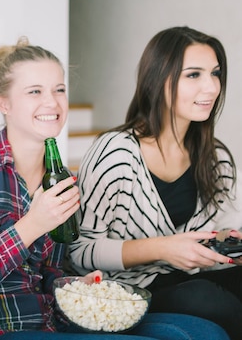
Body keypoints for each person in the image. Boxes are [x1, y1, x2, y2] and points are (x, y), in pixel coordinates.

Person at [0, 36, 229, 340]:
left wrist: (78, 284)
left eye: (59, 90)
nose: (52, 102)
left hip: (49, 322)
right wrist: (31, 225)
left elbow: (49, 272)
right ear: (4, 104)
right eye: (34, 91)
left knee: (204, 332)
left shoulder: (61, 178)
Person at [69, 26, 242, 339]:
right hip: (126, 291)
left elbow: (218, 237)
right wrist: (163, 248)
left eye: (215, 73)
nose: (211, 86)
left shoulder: (216, 157)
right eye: (194, 75)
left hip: (191, 279)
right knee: (205, 298)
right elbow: (80, 252)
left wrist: (229, 239)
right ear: (158, 78)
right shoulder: (116, 152)